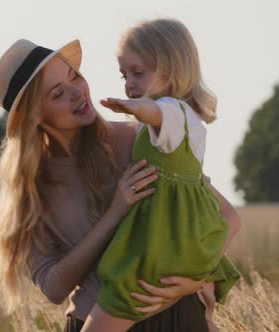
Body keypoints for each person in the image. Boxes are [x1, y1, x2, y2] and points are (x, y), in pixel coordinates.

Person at [0, 37, 241, 332]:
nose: (77, 93)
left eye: (75, 77)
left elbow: (226, 216)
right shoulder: (30, 191)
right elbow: (54, 288)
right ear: (34, 116)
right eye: (58, 94)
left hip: (178, 317)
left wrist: (196, 278)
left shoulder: (139, 140)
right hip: (96, 320)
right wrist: (115, 213)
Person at [81, 18, 241, 331]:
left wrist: (131, 107)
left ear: (170, 71)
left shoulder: (173, 112)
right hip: (184, 241)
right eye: (124, 74)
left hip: (159, 244)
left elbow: (156, 114)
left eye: (137, 72)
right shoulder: (183, 120)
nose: (129, 81)